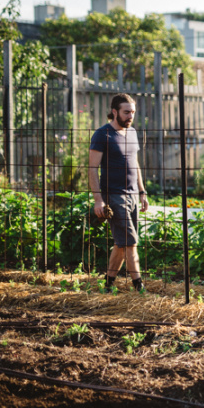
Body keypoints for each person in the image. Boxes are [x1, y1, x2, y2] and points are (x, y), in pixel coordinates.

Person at [89, 93, 149, 292]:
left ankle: (107, 285)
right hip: (114, 196)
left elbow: (135, 164)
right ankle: (139, 288)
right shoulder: (102, 135)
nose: (130, 116)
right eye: (126, 112)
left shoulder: (131, 132)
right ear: (114, 112)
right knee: (131, 243)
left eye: (133, 112)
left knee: (122, 244)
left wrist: (142, 192)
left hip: (133, 195)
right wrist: (98, 200)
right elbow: (92, 169)